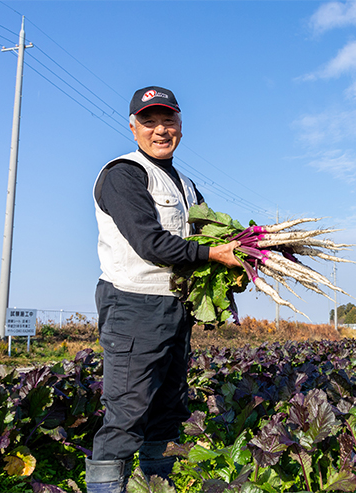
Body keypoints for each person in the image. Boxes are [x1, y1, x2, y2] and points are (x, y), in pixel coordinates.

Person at [86, 86, 240, 493]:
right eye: (149, 121)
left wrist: (244, 256)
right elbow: (150, 243)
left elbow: (209, 238)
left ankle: (156, 485)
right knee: (127, 409)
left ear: (181, 127)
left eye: (167, 120)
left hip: (175, 307)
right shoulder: (123, 174)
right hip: (133, 304)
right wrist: (213, 254)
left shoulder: (187, 186)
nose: (160, 130)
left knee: (167, 405)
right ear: (133, 127)